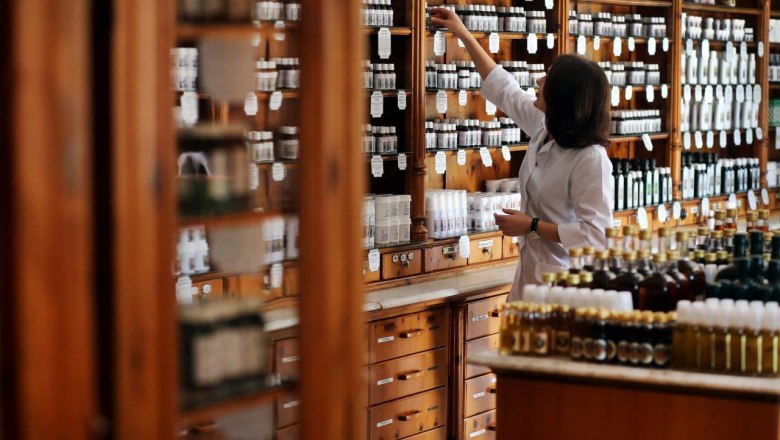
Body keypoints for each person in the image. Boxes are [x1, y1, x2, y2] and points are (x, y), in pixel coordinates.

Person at [430, 8, 614, 301]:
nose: (540, 80)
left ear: (564, 96)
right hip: (531, 276)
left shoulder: (590, 159)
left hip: (565, 286)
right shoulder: (546, 127)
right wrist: (463, 33)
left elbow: (597, 236)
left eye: (549, 78)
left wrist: (531, 226)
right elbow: (504, 88)